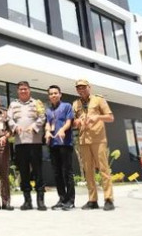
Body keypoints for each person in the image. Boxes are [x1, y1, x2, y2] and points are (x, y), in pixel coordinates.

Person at [72, 79, 115, 211]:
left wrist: (98, 117)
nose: (81, 90)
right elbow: (73, 122)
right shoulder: (75, 104)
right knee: (88, 171)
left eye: (83, 87)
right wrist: (77, 122)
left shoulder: (98, 100)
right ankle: (92, 200)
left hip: (98, 139)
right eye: (78, 88)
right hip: (83, 140)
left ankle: (108, 199)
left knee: (103, 169)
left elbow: (110, 117)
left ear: (89, 87)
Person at [7, 81, 46, 211]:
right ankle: (27, 201)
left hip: (35, 142)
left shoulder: (37, 103)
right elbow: (9, 119)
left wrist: (34, 126)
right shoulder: (13, 104)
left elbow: (42, 117)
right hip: (20, 143)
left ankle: (40, 201)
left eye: (25, 89)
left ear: (29, 90)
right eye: (21, 89)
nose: (23, 91)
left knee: (38, 171)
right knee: (23, 172)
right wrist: (14, 127)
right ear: (18, 91)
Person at [44, 85, 76, 211]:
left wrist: (62, 129)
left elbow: (69, 122)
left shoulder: (67, 106)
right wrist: (47, 131)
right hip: (53, 144)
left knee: (67, 172)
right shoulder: (48, 110)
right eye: (51, 93)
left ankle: (70, 200)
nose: (53, 95)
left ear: (60, 94)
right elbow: (48, 123)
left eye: (55, 93)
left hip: (65, 143)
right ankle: (62, 199)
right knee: (57, 173)